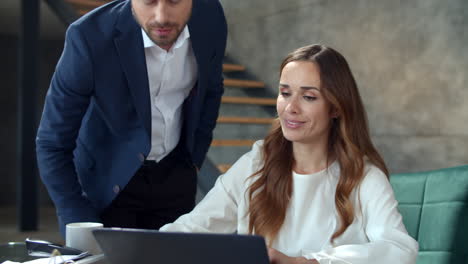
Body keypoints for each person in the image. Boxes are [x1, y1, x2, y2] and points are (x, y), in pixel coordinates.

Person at [160, 44, 419, 264]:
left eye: (308, 97)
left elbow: (400, 249)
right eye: (285, 93)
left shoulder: (364, 177)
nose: (290, 108)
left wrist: (307, 262)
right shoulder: (256, 163)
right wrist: (143, 247)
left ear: (336, 108)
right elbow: (195, 228)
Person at [36, 0, 227, 235]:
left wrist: (195, 157)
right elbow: (51, 143)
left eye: (174, 0)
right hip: (107, 184)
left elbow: (212, 89)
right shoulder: (88, 37)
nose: (161, 16)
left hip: (176, 176)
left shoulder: (211, 16)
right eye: (149, 1)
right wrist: (75, 213)